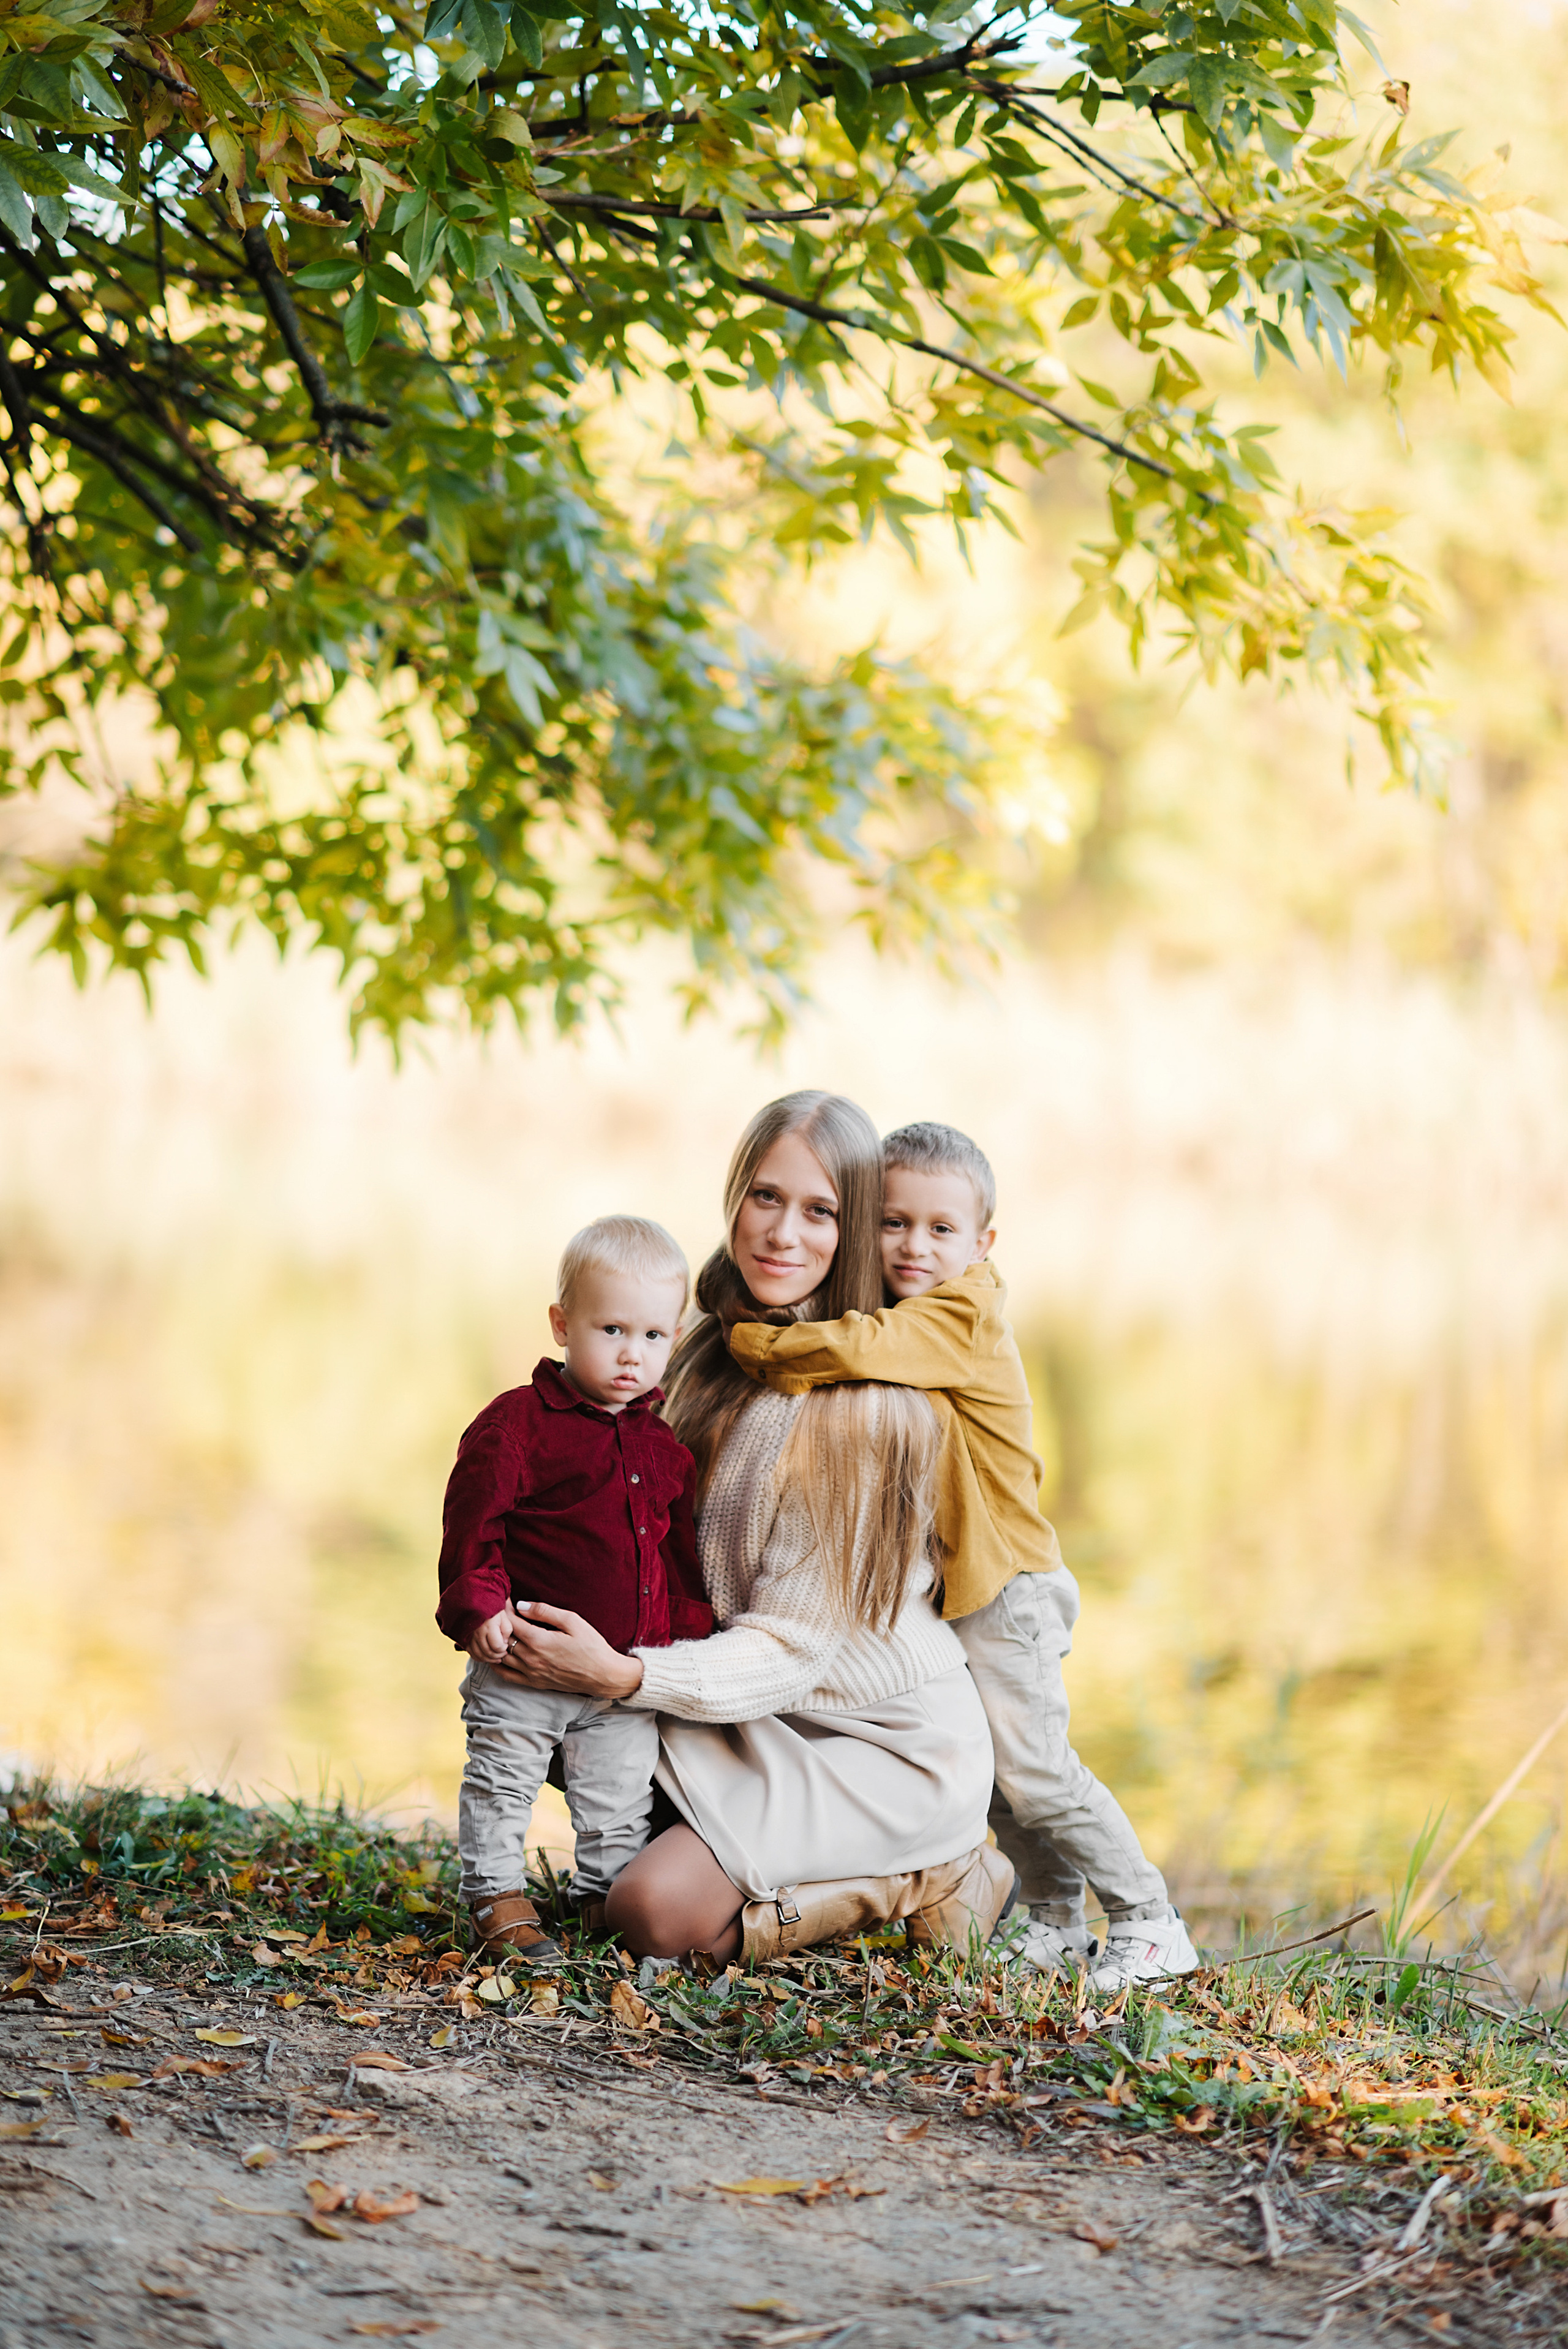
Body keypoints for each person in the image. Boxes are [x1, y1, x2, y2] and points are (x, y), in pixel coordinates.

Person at [492, 1092, 1016, 1965]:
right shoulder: (704, 1342)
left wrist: (623, 1671)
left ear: (853, 1232)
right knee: (543, 1711)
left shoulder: (870, 1410)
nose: (782, 1232)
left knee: (650, 1913)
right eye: (766, 1196)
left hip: (873, 1737)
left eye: (821, 1211)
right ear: (735, 1194)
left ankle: (939, 1873)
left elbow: (795, 1646)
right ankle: (727, 1835)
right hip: (754, 1705)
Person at [728, 1120, 1199, 1996]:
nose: (914, 1245)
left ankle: (1148, 1918)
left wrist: (757, 1342)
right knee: (991, 1777)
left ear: (982, 1242)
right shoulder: (923, 1308)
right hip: (970, 1589)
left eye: (941, 1229)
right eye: (894, 1222)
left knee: (1040, 1770)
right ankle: (1057, 1921)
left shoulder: (961, 1312)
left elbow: (854, 1348)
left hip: (1011, 1588)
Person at [435, 1215, 714, 1969]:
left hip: (621, 1671)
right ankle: (495, 1893)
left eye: (653, 1336)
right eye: (612, 1328)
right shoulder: (518, 1424)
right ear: (563, 1323)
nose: (632, 1354)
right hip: (523, 1654)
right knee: (503, 1779)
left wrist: (683, 1638)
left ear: (676, 1338)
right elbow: (474, 1522)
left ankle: (603, 1896)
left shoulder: (664, 1450)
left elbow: (673, 1556)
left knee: (619, 1797)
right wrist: (481, 1606)